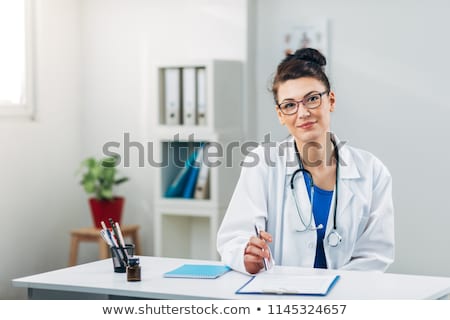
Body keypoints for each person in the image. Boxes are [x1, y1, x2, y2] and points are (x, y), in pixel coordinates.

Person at [216, 48, 394, 274]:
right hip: (278, 299)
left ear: (331, 100)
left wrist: (333, 294)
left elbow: (375, 255)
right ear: (280, 114)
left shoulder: (372, 172)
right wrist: (248, 256)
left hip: (346, 301)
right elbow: (234, 238)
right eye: (290, 105)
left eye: (312, 99)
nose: (303, 113)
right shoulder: (263, 163)